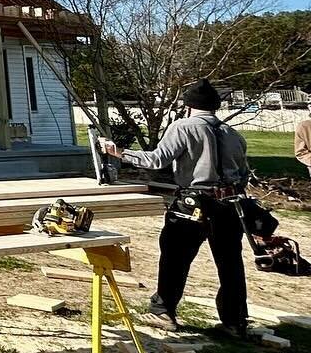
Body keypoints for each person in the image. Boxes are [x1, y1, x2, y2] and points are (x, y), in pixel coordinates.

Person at [98, 78, 250, 336]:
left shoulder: (183, 127)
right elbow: (244, 174)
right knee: (230, 263)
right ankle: (235, 321)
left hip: (193, 204)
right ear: (215, 107)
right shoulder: (232, 134)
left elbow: (157, 160)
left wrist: (118, 152)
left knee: (175, 257)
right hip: (230, 205)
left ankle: (163, 311)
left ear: (188, 106)